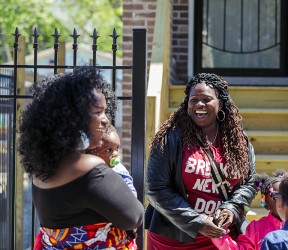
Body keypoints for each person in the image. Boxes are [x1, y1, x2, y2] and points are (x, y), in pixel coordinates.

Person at [18, 66, 144, 249]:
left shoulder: (43, 170)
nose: (106, 120)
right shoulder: (88, 168)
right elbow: (134, 217)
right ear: (73, 117)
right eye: (97, 112)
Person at [145, 73, 258, 249]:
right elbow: (156, 189)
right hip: (176, 239)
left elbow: (249, 183)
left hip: (222, 238)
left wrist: (232, 208)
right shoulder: (170, 139)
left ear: (220, 103)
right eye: (194, 99)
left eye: (206, 99)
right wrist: (198, 222)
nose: (199, 104)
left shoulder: (237, 141)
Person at [212, 169, 286, 250]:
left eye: (286, 196)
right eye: (275, 196)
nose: (282, 201)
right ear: (265, 202)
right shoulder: (256, 228)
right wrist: (218, 234)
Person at [87, 124, 137, 197]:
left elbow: (132, 195)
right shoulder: (90, 172)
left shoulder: (120, 170)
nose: (115, 154)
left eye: (117, 148)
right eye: (108, 150)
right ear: (94, 153)